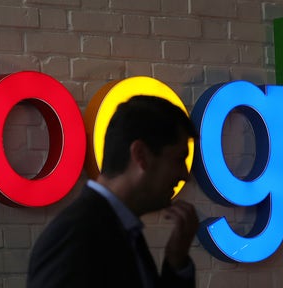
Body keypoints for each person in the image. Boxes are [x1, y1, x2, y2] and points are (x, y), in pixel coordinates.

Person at [27, 95, 200, 288]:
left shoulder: (120, 229)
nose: (186, 176)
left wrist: (177, 261)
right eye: (179, 158)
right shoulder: (76, 236)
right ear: (141, 155)